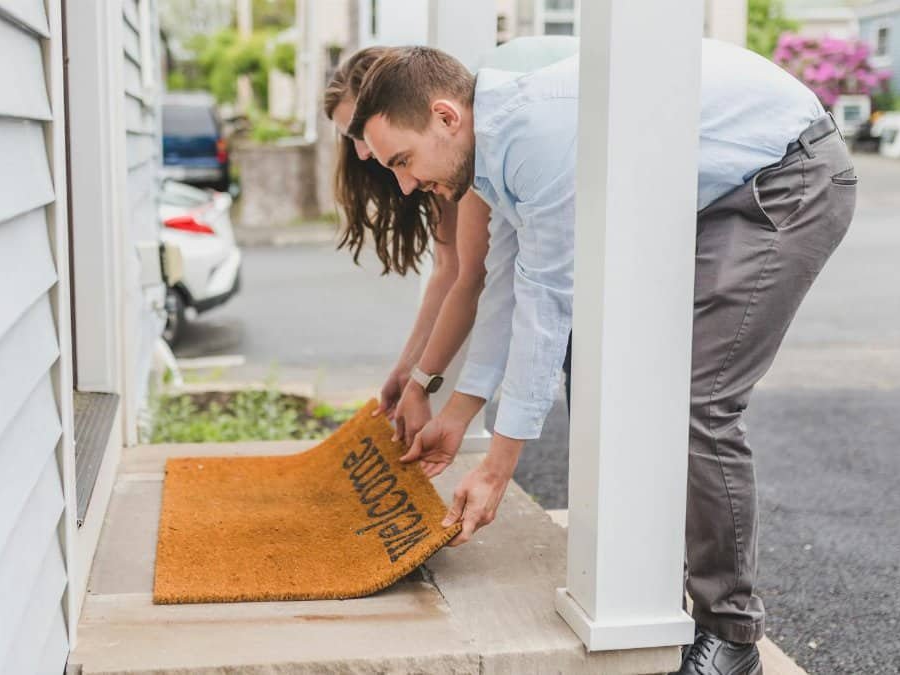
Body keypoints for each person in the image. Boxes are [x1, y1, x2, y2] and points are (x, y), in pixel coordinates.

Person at [348, 40, 857, 675]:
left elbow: (546, 301)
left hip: (788, 177)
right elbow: (506, 280)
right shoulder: (496, 143)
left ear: (447, 117)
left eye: (402, 160)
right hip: (721, 192)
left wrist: (499, 467)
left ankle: (731, 634)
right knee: (628, 376)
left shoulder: (538, 135)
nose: (404, 182)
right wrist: (459, 412)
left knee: (698, 401)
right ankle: (656, 582)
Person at [322, 38, 577, 458]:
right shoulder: (443, 153)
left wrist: (496, 461)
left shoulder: (477, 142)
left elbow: (480, 279)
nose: (361, 150)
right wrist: (413, 372)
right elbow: (466, 271)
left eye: (360, 131)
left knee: (575, 352)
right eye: (350, 136)